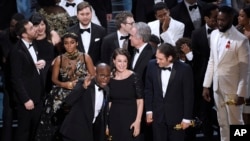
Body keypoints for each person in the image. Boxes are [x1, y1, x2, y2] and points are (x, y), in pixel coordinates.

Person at [35, 32, 95, 141]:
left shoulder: (85, 57)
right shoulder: (59, 59)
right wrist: (65, 84)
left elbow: (93, 76)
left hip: (80, 93)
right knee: (56, 120)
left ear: (77, 43)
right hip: (62, 93)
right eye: (66, 43)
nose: (69, 46)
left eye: (72, 43)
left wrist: (82, 83)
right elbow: (54, 79)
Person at [202, 6, 250, 141]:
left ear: (231, 19)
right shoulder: (214, 35)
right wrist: (206, 85)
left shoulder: (241, 40)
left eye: (223, 20)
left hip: (234, 89)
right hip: (217, 87)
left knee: (237, 123)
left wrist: (242, 94)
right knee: (222, 122)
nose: (219, 23)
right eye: (218, 19)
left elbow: (245, 70)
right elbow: (212, 61)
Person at [144, 43, 194, 141]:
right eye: (156, 58)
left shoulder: (185, 69)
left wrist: (187, 118)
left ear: (170, 57)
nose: (157, 61)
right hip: (157, 116)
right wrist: (149, 111)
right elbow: (148, 90)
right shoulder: (151, 65)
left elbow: (189, 96)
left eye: (161, 59)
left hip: (177, 117)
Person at [9, 19, 46, 141]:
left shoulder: (33, 43)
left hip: (37, 98)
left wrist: (40, 63)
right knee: (24, 134)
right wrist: (26, 99)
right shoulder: (16, 52)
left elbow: (28, 66)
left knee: (35, 134)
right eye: (31, 28)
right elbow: (16, 79)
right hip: (27, 102)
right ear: (24, 34)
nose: (35, 29)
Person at [60, 63, 111, 141]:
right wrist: (83, 87)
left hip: (88, 133)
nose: (105, 79)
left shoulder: (106, 90)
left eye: (107, 76)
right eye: (102, 75)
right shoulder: (84, 83)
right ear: (96, 74)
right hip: (73, 132)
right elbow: (68, 102)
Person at [191, 3, 220, 141]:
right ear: (206, 19)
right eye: (215, 18)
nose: (217, 21)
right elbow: (197, 60)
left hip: (224, 80)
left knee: (227, 115)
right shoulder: (196, 34)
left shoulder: (225, 32)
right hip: (203, 81)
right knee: (206, 114)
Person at [107, 48, 144, 141]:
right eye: (119, 61)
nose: (122, 64)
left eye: (125, 61)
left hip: (130, 119)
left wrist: (138, 121)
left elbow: (140, 101)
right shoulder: (109, 78)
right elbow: (109, 102)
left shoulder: (134, 77)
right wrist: (106, 123)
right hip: (114, 118)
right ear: (114, 61)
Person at [0, 13, 25, 141]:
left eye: (15, 27)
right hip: (9, 82)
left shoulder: (26, 39)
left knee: (24, 117)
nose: (12, 29)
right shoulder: (3, 37)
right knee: (7, 116)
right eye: (11, 26)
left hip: (24, 83)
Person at [29, 12, 58, 93]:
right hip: (36, 74)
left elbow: (61, 55)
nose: (40, 28)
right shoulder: (30, 40)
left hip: (52, 72)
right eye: (36, 25)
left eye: (42, 24)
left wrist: (54, 61)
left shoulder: (52, 36)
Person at [237, 5, 250, 125]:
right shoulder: (236, 31)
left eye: (242, 16)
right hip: (241, 74)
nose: (238, 18)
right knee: (244, 109)